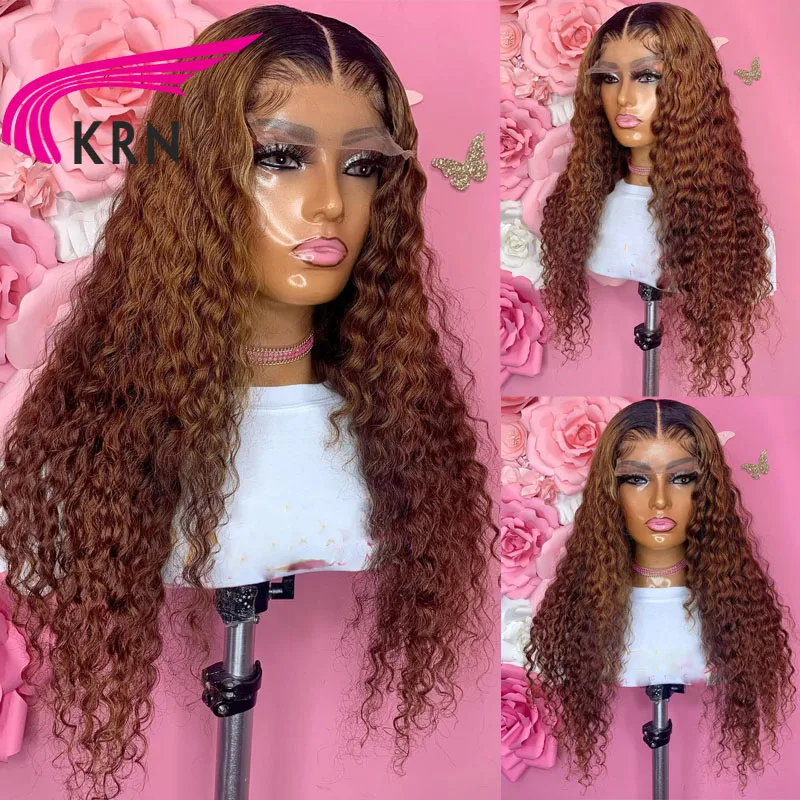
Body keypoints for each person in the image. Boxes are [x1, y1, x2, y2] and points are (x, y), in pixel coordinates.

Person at [0, 6, 497, 798]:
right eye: (281, 156)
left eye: (361, 164)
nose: (329, 202)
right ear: (197, 172)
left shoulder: (396, 436)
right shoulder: (104, 446)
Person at [526, 399, 794, 789]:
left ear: (708, 488)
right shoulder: (585, 615)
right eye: (637, 479)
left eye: (682, 478)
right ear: (610, 490)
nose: (660, 501)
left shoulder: (735, 613)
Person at [540, 3, 775, 396]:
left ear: (689, 86)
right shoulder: (583, 211)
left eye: (647, 76)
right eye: (609, 78)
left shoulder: (734, 227)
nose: (624, 98)